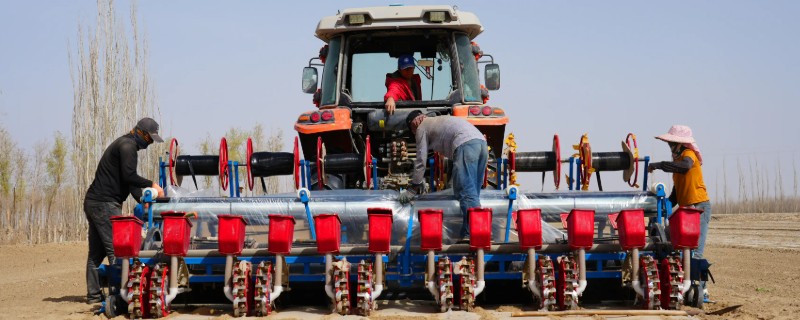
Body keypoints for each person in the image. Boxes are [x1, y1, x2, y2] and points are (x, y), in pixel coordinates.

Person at [83, 117, 165, 304]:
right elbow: (130, 175)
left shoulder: (124, 144)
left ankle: (94, 296)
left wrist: (141, 199)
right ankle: (119, 295)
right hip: (104, 204)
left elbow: (126, 181)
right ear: (142, 133)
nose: (151, 143)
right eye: (150, 138)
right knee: (117, 251)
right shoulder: (128, 146)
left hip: (94, 202)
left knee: (96, 254)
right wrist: (152, 184)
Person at [399, 111, 488, 241]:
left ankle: (475, 233)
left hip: (465, 144)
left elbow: (421, 160)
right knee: (472, 192)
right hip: (481, 144)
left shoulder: (421, 128)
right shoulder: (436, 120)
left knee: (466, 192)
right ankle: (467, 232)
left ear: (413, 124)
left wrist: (413, 188)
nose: (413, 134)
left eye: (412, 131)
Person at [648, 124, 712, 301]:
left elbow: (685, 167)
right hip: (686, 211)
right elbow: (676, 195)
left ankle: (701, 290)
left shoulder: (688, 156)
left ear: (680, 144)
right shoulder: (677, 163)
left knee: (696, 251)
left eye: (672, 143)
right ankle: (684, 286)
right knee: (681, 249)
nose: (670, 147)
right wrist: (658, 206)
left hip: (699, 207)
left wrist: (659, 165)